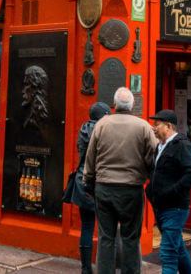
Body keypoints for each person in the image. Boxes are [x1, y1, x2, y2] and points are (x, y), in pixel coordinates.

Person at [83, 87, 157, 274]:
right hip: (132, 189)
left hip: (104, 187)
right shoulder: (143, 126)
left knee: (106, 238)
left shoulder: (101, 124)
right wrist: (148, 177)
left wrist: (88, 181)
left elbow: (90, 156)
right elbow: (153, 157)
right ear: (132, 105)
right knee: (131, 238)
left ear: (114, 105)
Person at [145, 109, 191, 274]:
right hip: (161, 207)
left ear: (168, 126)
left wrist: (171, 192)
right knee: (178, 248)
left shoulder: (182, 145)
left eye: (158, 124)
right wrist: (150, 191)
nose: (154, 128)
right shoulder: (160, 146)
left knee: (168, 253)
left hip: (175, 208)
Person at [73, 102, 109, 274]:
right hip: (101, 183)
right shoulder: (105, 131)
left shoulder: (83, 130)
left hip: (83, 181)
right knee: (106, 229)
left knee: (86, 226)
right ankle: (105, 267)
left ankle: (85, 268)